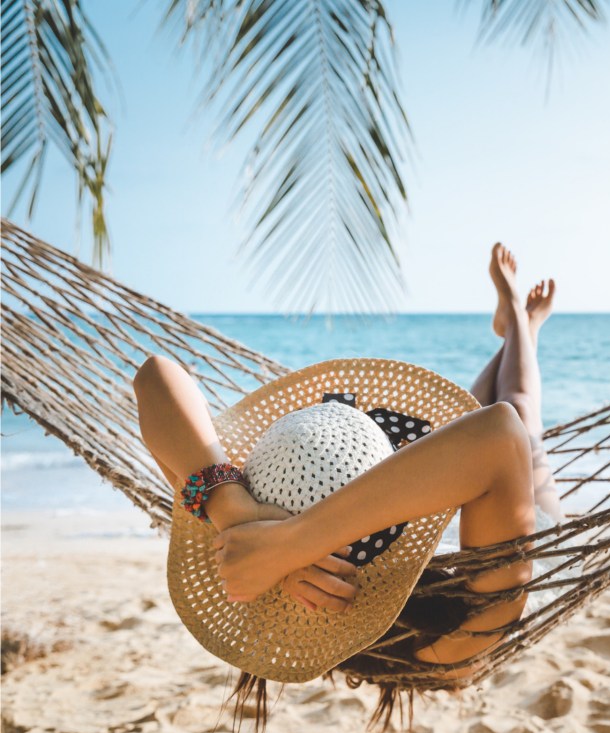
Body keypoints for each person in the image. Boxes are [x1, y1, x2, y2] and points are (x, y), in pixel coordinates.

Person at [133, 243, 560, 669]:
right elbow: (502, 433)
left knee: (482, 410)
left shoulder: (239, 554)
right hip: (512, 527)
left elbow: (154, 377)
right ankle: (523, 325)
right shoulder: (456, 634)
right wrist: (288, 545)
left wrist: (236, 513)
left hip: (433, 487)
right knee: (521, 409)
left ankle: (518, 325)